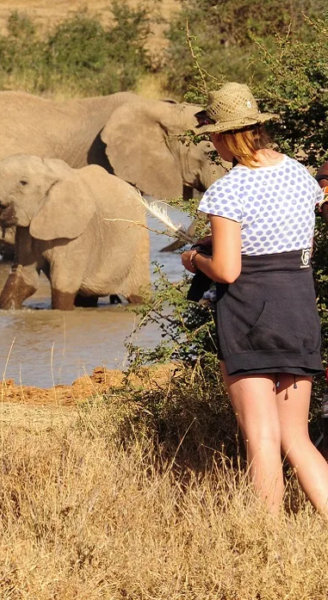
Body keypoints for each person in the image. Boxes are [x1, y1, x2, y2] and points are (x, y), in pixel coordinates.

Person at [181, 82, 328, 516]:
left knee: (261, 437)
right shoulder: (300, 174)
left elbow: (228, 270)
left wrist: (193, 258)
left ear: (227, 136)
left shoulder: (230, 190)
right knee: (296, 438)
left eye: (212, 135)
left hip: (250, 314)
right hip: (298, 306)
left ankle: (267, 541)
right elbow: (289, 241)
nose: (211, 143)